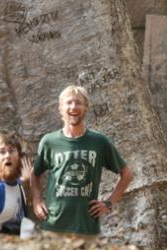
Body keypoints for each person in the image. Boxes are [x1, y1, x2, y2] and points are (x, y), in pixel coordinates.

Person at [31, 85, 133, 241]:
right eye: (69, 102)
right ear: (60, 108)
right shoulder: (49, 141)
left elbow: (126, 174)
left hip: (86, 227)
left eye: (78, 103)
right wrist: (37, 200)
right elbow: (35, 174)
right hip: (53, 226)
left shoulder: (99, 142)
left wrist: (108, 203)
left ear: (86, 108)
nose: (73, 107)